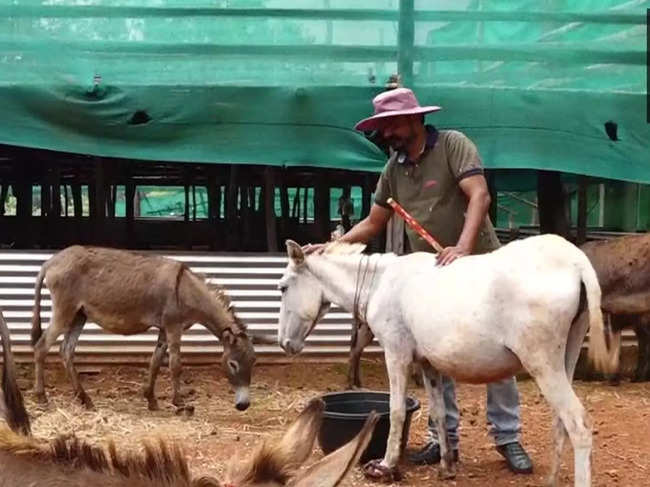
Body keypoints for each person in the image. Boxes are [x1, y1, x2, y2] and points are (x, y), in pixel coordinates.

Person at [307, 87, 533, 474]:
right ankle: (443, 439)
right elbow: (374, 222)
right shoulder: (393, 169)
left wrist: (462, 247)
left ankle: (507, 437)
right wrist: (330, 248)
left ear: (414, 119)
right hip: (430, 275)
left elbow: (478, 196)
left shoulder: (453, 145)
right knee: (435, 353)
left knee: (499, 350)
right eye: (382, 127)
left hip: (480, 265)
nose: (386, 134)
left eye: (391, 125)